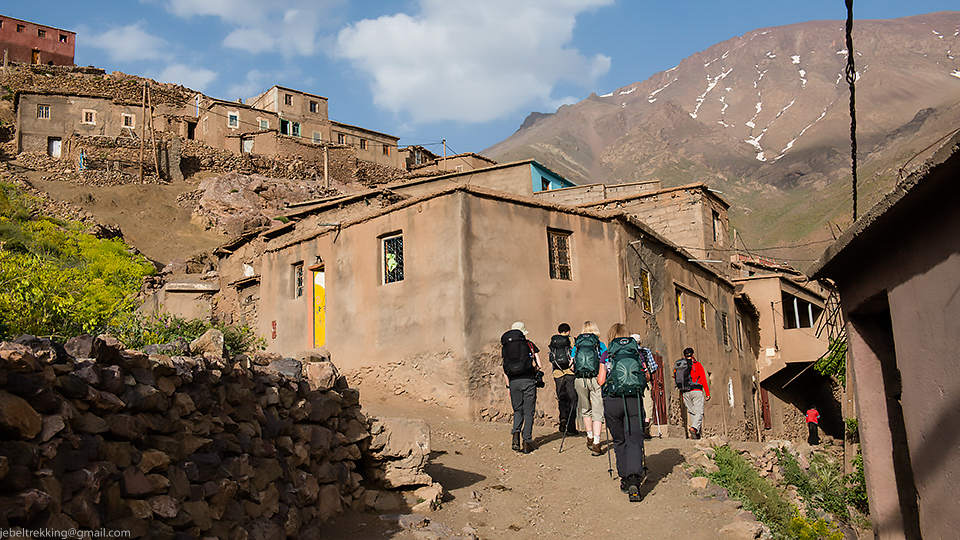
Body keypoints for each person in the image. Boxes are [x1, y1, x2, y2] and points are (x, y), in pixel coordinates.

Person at [601, 323, 650, 502]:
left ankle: (623, 477)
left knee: (620, 440)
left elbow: (600, 381)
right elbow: (647, 377)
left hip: (613, 402)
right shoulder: (636, 353)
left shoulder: (607, 355)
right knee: (634, 438)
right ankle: (634, 479)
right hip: (633, 401)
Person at [502, 321, 542, 453]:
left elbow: (505, 369)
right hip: (528, 380)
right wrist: (534, 370)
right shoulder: (529, 344)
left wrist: (508, 386)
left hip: (513, 382)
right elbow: (539, 365)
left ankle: (515, 435)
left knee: (518, 410)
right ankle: (527, 441)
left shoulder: (506, 347)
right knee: (529, 411)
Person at [572, 321, 607, 455]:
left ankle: (589, 436)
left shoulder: (578, 344)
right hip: (596, 379)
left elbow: (571, 363)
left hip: (580, 379)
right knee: (598, 409)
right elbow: (606, 361)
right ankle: (597, 443)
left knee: (585, 408)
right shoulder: (600, 344)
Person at [548, 323, 578, 435]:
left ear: (558, 331)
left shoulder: (554, 340)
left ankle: (563, 418)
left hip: (557, 373)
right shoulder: (571, 340)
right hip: (570, 373)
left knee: (562, 398)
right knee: (572, 399)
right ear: (568, 331)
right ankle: (571, 427)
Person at [676, 347, 710, 439]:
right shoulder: (697, 365)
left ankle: (695, 433)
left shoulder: (681, 366)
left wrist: (682, 396)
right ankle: (694, 428)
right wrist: (707, 393)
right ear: (693, 354)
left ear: (684, 355)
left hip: (685, 392)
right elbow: (703, 379)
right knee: (698, 411)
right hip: (696, 390)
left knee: (691, 412)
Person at [632, 334, 658, 439]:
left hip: (633, 380)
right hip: (644, 379)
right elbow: (653, 367)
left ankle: (636, 425)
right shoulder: (645, 351)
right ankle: (646, 422)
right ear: (640, 342)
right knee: (647, 400)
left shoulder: (628, 351)